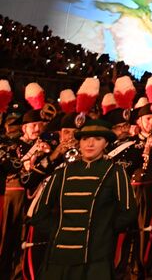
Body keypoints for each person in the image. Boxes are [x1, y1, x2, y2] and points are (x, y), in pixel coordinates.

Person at [26, 119, 137, 280]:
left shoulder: (115, 172)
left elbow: (128, 212)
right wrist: (57, 231)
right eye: (85, 139)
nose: (90, 144)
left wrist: (103, 231)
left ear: (106, 143)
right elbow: (39, 214)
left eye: (97, 139)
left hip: (95, 257)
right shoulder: (62, 173)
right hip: (60, 255)